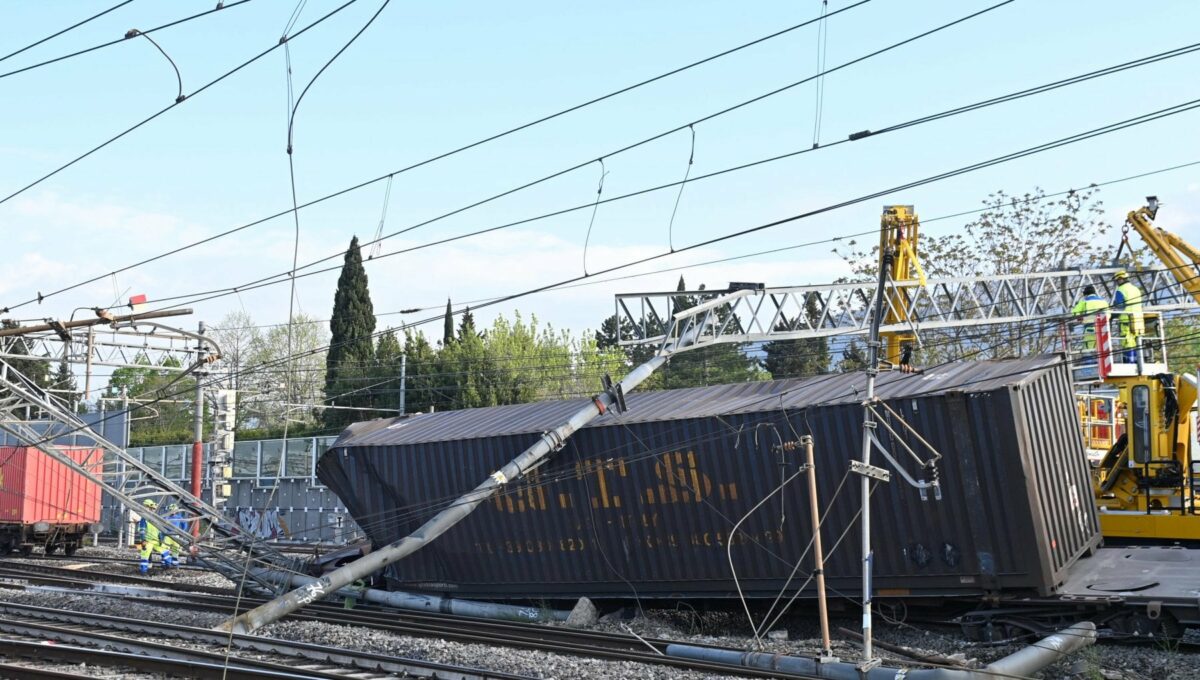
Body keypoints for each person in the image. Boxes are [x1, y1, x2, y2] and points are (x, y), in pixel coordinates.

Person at [1111, 271, 1144, 363]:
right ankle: (1139, 361)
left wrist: (1112, 314)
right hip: (1138, 320)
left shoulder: (1121, 290)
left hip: (1126, 320)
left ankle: (1130, 363)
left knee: (1127, 342)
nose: (1117, 283)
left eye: (1117, 281)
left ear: (1121, 279)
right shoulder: (1136, 289)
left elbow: (1120, 306)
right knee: (1137, 341)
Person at [1071, 285, 1109, 351]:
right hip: (1103, 329)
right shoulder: (1104, 302)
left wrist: (1082, 319)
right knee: (1102, 350)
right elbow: (1109, 315)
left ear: (1085, 294)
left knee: (1089, 350)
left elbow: (1074, 314)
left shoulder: (1084, 301)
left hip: (1089, 328)